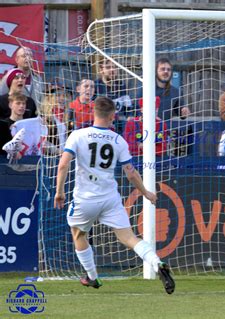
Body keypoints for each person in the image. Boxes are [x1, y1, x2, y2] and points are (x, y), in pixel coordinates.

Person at [53, 96, 175, 294]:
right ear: (112, 116)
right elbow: (131, 172)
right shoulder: (118, 140)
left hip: (85, 198)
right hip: (110, 198)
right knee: (129, 237)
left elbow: (63, 164)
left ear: (94, 112)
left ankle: (93, 277)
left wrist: (59, 192)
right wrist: (146, 193)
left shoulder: (78, 135)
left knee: (79, 234)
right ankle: (157, 262)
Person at [94, 58, 133, 124]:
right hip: (101, 124)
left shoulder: (121, 85)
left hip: (119, 124)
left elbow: (128, 108)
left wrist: (129, 117)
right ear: (101, 70)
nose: (112, 70)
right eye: (108, 67)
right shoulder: (95, 86)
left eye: (114, 67)